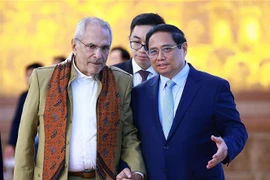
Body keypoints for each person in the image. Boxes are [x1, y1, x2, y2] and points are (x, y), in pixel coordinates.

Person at [14, 17, 145, 180]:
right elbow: (26, 137)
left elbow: (128, 134)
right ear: (74, 45)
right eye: (91, 46)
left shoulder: (121, 81)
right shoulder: (43, 78)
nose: (98, 55)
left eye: (105, 48)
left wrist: (138, 172)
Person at [132, 24, 248, 179]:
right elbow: (133, 139)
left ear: (184, 48)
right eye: (153, 51)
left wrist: (227, 146)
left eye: (167, 49)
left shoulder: (213, 87)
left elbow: (236, 129)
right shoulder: (140, 93)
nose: (160, 57)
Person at [114, 13, 165, 86]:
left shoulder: (170, 74)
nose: (142, 50)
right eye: (136, 42)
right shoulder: (113, 74)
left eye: (148, 43)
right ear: (129, 39)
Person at [4, 63, 43, 159]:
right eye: (27, 75)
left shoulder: (48, 95)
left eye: (32, 75)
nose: (29, 78)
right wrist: (11, 143)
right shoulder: (24, 96)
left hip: (44, 143)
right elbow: (17, 120)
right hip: (29, 142)